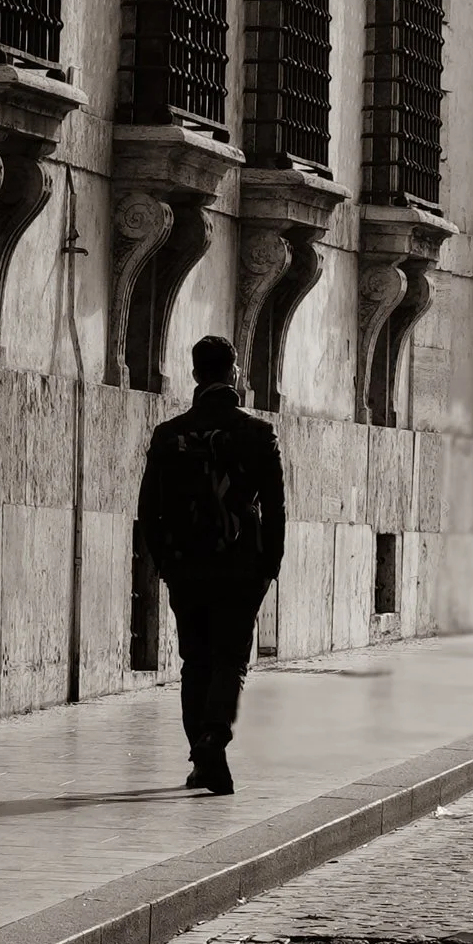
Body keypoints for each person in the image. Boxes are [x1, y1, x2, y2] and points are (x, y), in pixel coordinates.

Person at [135, 334, 288, 796]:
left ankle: (207, 758)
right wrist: (270, 564)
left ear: (196, 374)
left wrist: (164, 561)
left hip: (186, 566)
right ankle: (214, 736)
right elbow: (277, 507)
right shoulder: (259, 434)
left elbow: (149, 507)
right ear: (234, 372)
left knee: (195, 661)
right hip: (242, 567)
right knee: (230, 659)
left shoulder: (168, 435)